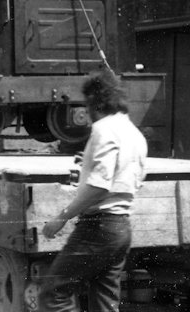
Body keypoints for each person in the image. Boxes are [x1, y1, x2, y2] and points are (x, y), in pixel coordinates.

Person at [39, 69, 148, 312]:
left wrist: (61, 217)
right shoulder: (134, 133)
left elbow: (100, 185)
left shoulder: (103, 129)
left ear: (93, 103)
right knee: (104, 302)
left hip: (97, 227)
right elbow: (134, 177)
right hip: (120, 228)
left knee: (52, 294)